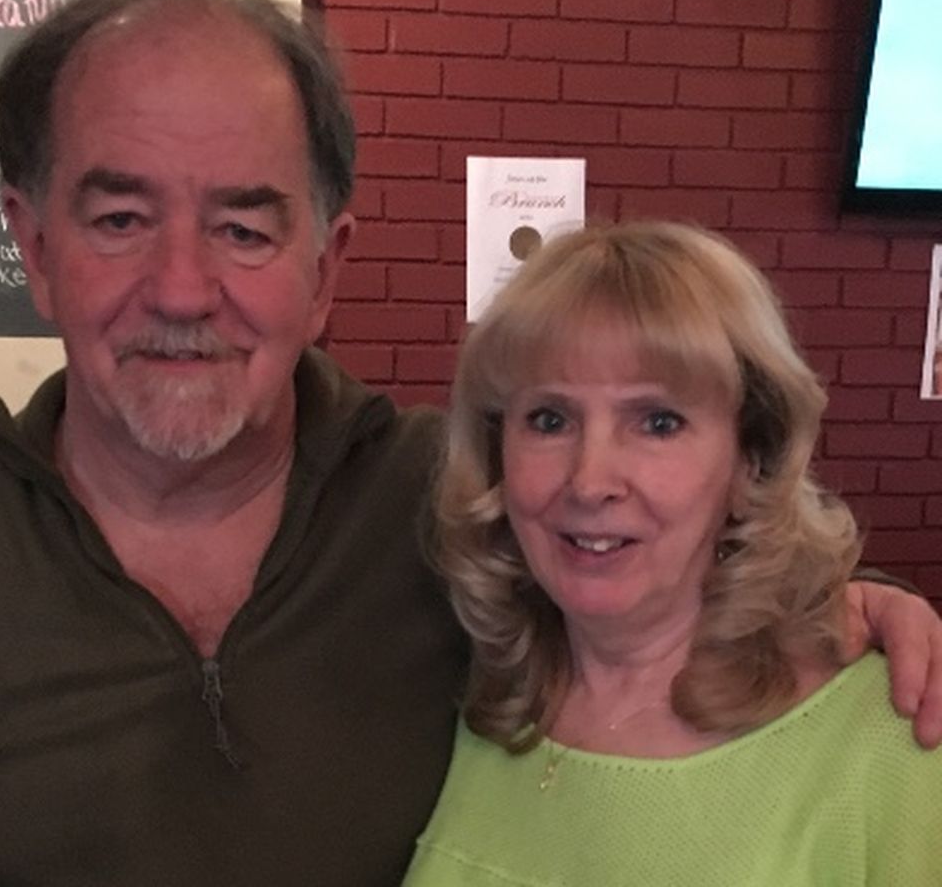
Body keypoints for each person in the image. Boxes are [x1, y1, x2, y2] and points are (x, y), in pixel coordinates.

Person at [0, 0, 937, 886]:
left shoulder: (454, 501)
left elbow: (669, 584)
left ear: (325, 270)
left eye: (243, 230)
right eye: (120, 220)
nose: (182, 290)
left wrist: (861, 605)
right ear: (35, 245)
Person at [403, 222, 942, 886]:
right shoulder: (459, 696)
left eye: (658, 423)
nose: (590, 481)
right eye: (549, 419)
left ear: (751, 461)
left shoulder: (893, 744)